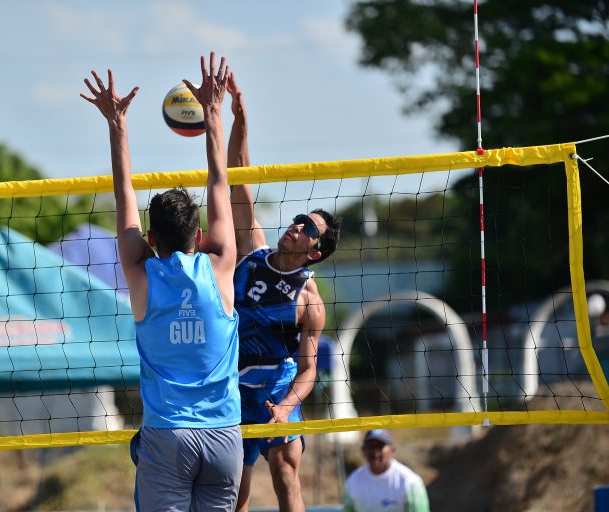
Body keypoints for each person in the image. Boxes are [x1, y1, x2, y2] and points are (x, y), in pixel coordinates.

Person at [80, 52, 242, 512]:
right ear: (199, 235)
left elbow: (123, 193)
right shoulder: (220, 265)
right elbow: (218, 182)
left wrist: (117, 125)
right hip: (224, 436)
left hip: (168, 434)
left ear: (151, 239)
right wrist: (214, 116)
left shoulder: (140, 272)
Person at [227, 77, 342, 512]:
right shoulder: (251, 251)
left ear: (315, 251)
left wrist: (287, 406)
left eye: (308, 228)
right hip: (232, 382)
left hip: (276, 383)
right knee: (233, 488)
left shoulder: (310, 301)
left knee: (285, 469)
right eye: (299, 219)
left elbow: (309, 370)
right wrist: (240, 118)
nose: (297, 225)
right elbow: (238, 174)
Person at [343, 429, 430, 512]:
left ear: (392, 450)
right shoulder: (353, 481)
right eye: (370, 447)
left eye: (379, 446)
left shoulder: (410, 481)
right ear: (363, 450)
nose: (374, 452)